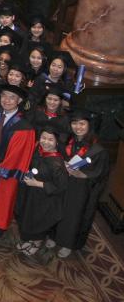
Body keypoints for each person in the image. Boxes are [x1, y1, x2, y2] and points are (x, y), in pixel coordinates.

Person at [0, 84, 36, 242]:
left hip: (6, 172)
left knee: (2, 199)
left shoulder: (24, 127)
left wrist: (0, 170)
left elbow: (17, 155)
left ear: (19, 101)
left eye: (12, 97)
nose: (7, 100)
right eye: (4, 95)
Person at [54, 108, 110, 258]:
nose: (78, 127)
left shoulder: (97, 149)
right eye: (74, 123)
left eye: (82, 124)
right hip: (63, 182)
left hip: (81, 188)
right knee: (57, 208)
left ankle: (68, 243)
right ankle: (54, 236)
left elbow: (101, 172)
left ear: (89, 125)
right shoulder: (66, 140)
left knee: (73, 214)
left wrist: (83, 175)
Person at [14, 122, 68, 256]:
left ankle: (36, 243)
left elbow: (61, 187)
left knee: (38, 220)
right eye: (43, 138)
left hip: (46, 199)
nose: (46, 142)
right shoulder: (38, 152)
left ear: (56, 142)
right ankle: (29, 239)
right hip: (32, 194)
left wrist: (37, 184)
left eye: (50, 139)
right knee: (28, 217)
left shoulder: (57, 163)